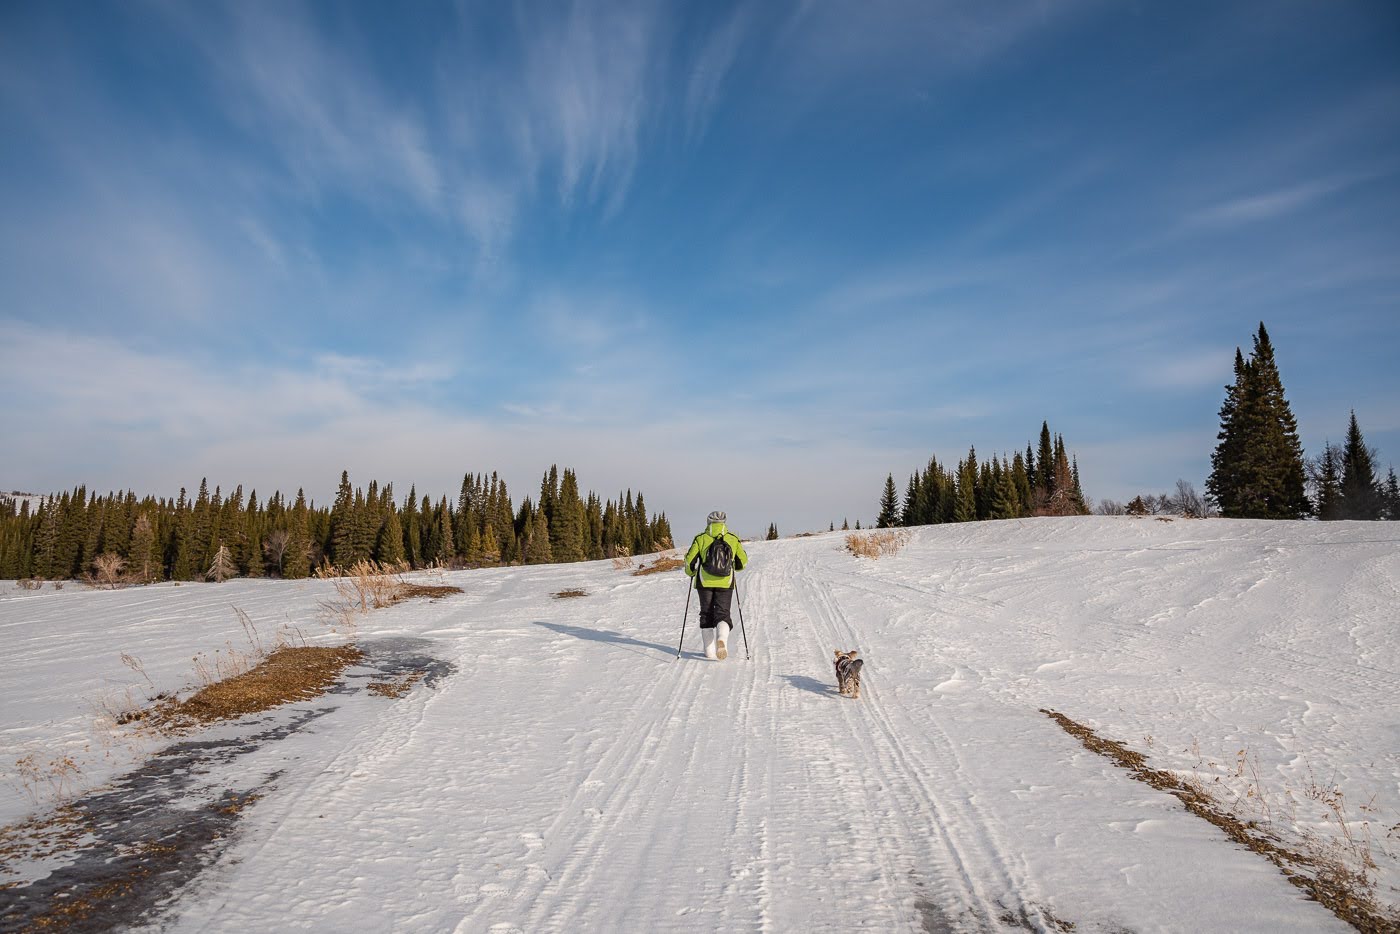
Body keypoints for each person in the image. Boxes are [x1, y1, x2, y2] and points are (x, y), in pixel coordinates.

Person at [684, 510, 749, 660]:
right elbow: (743, 562)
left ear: (708, 523)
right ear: (724, 523)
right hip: (725, 583)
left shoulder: (700, 538)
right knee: (723, 613)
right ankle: (722, 641)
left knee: (706, 613)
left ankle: (709, 652)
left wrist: (691, 572)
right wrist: (736, 568)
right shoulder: (732, 539)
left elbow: (689, 561)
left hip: (704, 582)